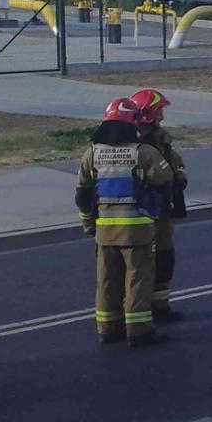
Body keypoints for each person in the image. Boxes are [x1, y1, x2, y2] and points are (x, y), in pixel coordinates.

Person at [75, 98, 176, 347]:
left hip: (105, 232)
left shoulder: (92, 153)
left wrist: (89, 225)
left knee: (107, 280)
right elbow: (165, 180)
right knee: (137, 279)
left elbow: (82, 195)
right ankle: (139, 331)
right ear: (132, 123)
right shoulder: (143, 153)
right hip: (136, 231)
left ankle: (108, 329)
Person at [129, 88, 186, 322]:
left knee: (164, 258)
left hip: (162, 208)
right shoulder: (129, 142)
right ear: (147, 113)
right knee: (141, 263)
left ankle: (161, 306)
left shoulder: (162, 138)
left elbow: (174, 164)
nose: (162, 116)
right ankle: (139, 310)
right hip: (139, 211)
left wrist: (179, 177)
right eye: (159, 110)